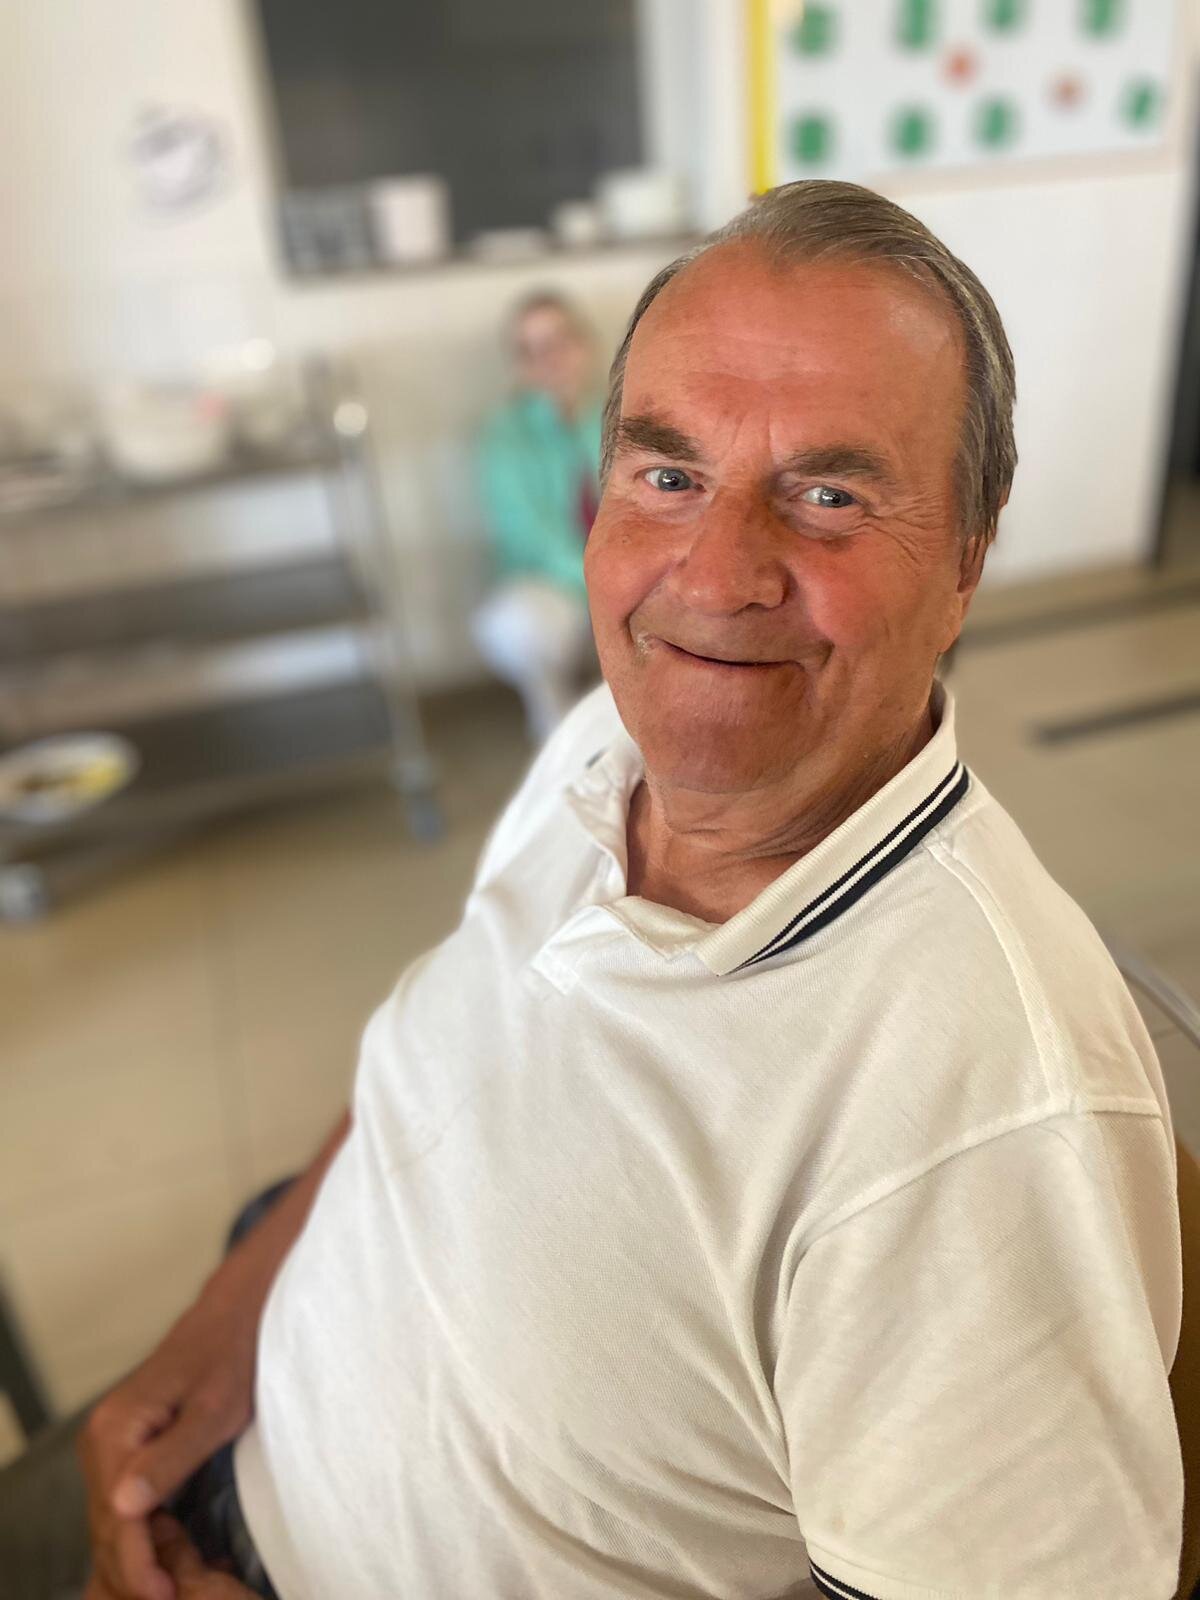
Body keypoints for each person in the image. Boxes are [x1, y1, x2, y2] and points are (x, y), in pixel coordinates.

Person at [74, 181, 1184, 1599]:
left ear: (968, 554)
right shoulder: (604, 742)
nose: (714, 578)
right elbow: (442, 1058)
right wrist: (226, 1322)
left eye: (829, 496)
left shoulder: (980, 1119)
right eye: (668, 477)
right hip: (219, 1426)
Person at [472, 290, 602, 741]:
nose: (550, 359)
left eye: (559, 341)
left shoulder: (619, 415)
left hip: (627, 573)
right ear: (519, 365)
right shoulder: (503, 436)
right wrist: (603, 579)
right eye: (533, 350)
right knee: (516, 625)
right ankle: (558, 735)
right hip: (554, 586)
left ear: (584, 344)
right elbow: (532, 535)